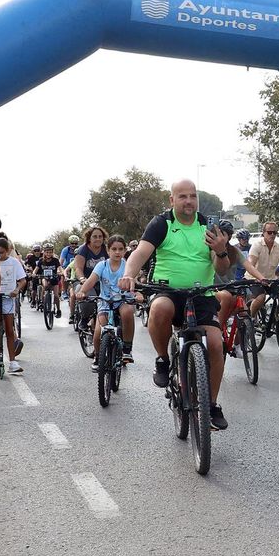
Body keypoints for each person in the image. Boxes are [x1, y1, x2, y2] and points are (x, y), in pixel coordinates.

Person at [119, 179, 232, 431]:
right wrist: (129, 274)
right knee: (160, 309)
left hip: (201, 294)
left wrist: (221, 251)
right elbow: (140, 253)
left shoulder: (207, 226)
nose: (188, 201)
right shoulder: (162, 223)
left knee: (216, 344)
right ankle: (162, 359)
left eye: (192, 196)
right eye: (182, 196)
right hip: (167, 291)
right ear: (172, 200)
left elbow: (222, 268)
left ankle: (211, 405)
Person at [76, 235, 138, 367]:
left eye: (120, 249)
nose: (117, 252)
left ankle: (127, 349)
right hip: (105, 301)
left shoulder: (128, 266)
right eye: (114, 249)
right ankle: (98, 357)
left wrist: (138, 294)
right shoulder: (102, 265)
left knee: (127, 312)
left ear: (125, 251)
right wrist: (82, 291)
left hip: (123, 300)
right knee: (99, 331)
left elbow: (135, 283)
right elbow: (91, 281)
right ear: (108, 251)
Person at [0, 235, 27, 374]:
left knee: (9, 330)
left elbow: (22, 280)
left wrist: (16, 290)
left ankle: (13, 362)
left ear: (8, 251)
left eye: (2, 252)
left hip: (8, 299)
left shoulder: (14, 263)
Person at [69, 226, 108, 331]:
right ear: (89, 238)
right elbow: (78, 268)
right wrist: (82, 279)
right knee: (89, 299)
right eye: (95, 236)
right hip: (85, 281)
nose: (98, 239)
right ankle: (84, 319)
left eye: (100, 236)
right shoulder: (83, 250)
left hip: (102, 281)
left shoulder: (106, 249)